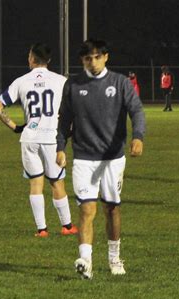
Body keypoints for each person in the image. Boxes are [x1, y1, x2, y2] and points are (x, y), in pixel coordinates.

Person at [56, 39, 145, 280]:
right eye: (87, 58)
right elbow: (64, 119)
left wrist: (138, 136)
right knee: (86, 209)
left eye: (97, 57)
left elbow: (136, 110)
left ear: (105, 57)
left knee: (112, 208)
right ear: (82, 61)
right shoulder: (73, 85)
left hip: (113, 158)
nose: (92, 62)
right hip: (84, 157)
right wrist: (60, 147)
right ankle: (86, 261)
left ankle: (115, 258)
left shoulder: (120, 82)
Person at [0, 43, 78, 238]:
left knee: (35, 184)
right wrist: (70, 130)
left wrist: (15, 127)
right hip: (51, 138)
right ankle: (67, 226)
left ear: (32, 58)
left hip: (29, 138)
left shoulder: (21, 81)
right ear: (48, 60)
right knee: (57, 183)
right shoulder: (61, 81)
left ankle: (42, 230)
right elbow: (74, 109)